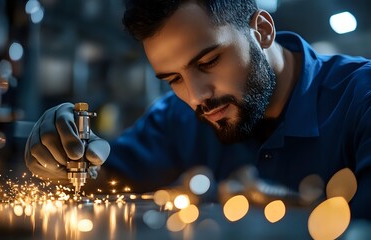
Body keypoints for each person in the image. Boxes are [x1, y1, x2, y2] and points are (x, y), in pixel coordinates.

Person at [25, 0, 371, 220]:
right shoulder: (175, 119)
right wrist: (59, 158)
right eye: (173, 78)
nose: (196, 97)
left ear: (262, 31)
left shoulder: (361, 99)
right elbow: (98, 184)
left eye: (209, 61)